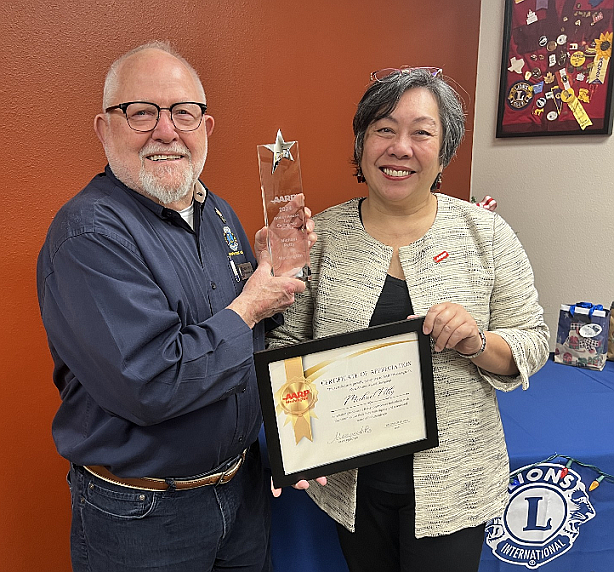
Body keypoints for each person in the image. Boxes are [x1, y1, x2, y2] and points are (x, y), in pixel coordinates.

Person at [36, 41, 316, 572]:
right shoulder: (88, 236)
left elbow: (243, 343)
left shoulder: (217, 213)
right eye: (141, 112)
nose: (166, 130)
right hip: (143, 514)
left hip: (243, 489)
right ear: (104, 128)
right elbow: (152, 382)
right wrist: (252, 305)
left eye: (183, 112)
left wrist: (271, 279)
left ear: (205, 127)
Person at [267, 67, 550, 572]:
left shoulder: (485, 234)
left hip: (456, 488)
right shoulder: (319, 236)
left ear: (444, 151)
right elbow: (284, 349)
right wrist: (295, 444)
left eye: (421, 132)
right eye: (384, 129)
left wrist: (476, 342)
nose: (400, 147)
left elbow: (532, 343)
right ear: (360, 144)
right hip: (352, 488)